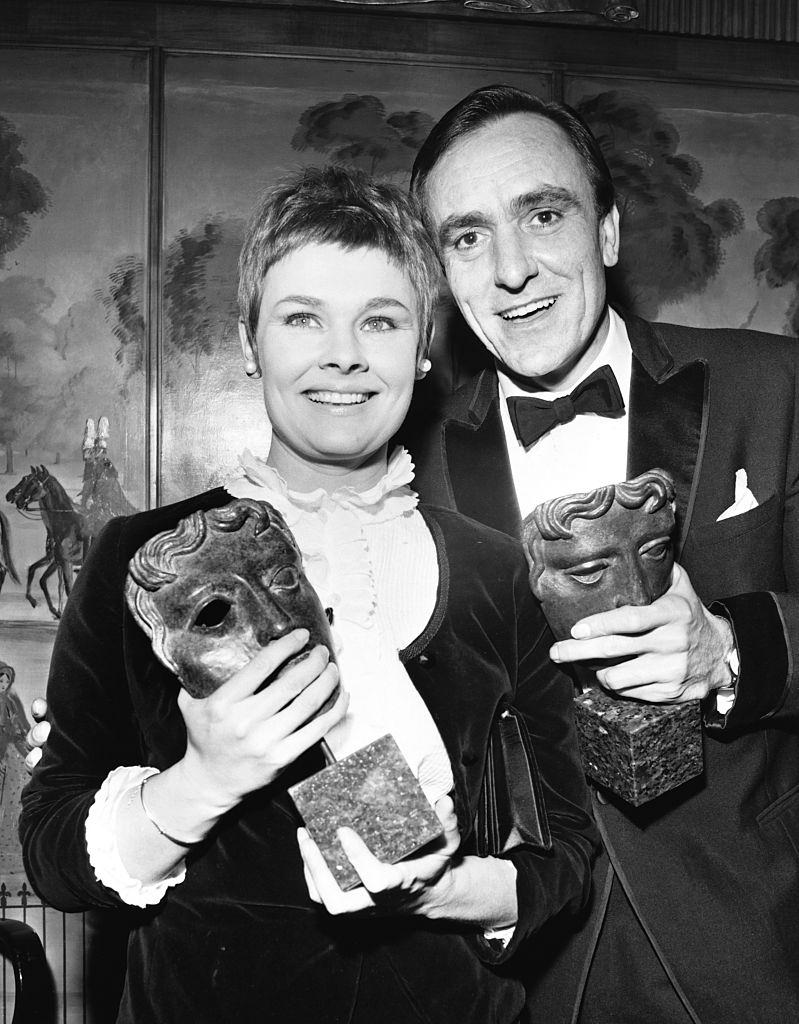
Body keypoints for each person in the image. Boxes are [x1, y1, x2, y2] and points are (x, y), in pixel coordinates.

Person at [20, 165, 597, 1024]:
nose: (343, 355)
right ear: (250, 344)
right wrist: (202, 781)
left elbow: (567, 855)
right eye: (301, 319)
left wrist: (437, 888)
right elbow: (53, 852)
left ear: (424, 348)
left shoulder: (495, 568)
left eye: (381, 320)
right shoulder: (140, 561)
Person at [407, 83, 799, 1024]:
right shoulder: (408, 466)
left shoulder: (772, 385)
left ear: (608, 233)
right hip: (519, 967)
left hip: (750, 936)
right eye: (467, 237)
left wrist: (729, 651)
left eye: (542, 215)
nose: (511, 270)